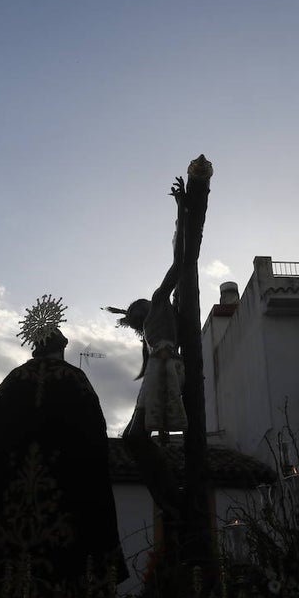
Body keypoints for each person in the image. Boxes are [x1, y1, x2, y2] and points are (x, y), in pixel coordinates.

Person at [0, 295, 126, 596]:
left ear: (34, 346)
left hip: (6, 509)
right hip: (65, 506)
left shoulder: (10, 382)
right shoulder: (76, 381)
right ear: (61, 348)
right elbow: (94, 446)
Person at [105, 177, 189, 519]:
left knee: (137, 435)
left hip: (168, 365)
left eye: (133, 306)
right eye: (130, 312)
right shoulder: (147, 335)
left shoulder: (158, 302)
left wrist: (181, 210)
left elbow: (179, 259)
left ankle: (171, 491)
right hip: (161, 366)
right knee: (132, 436)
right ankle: (165, 492)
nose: (133, 309)